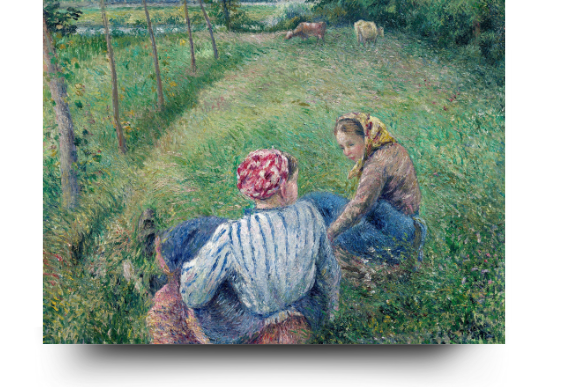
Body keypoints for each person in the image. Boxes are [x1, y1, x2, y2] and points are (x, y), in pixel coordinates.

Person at [146, 149, 340, 344]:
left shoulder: (232, 234)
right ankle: (164, 258)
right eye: (294, 181)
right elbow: (328, 270)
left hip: (251, 323)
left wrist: (186, 281)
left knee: (205, 258)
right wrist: (330, 311)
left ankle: (164, 262)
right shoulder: (310, 214)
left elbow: (195, 297)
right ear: (283, 189)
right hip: (303, 311)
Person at [304, 113, 427, 273]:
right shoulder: (391, 148)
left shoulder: (377, 164)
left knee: (337, 233)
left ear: (366, 137)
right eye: (342, 147)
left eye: (350, 144)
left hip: (398, 233)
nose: (346, 152)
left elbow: (359, 206)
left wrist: (330, 233)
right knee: (319, 201)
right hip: (399, 219)